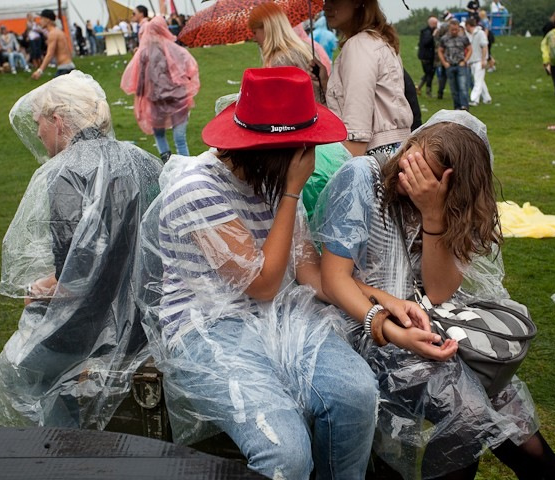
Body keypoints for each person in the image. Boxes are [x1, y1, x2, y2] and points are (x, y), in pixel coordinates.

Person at [138, 66, 378, 480]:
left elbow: (308, 274)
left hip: (276, 316)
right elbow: (264, 283)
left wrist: (382, 307)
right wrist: (290, 191)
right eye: (304, 147)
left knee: (356, 395)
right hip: (206, 325)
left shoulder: (270, 180)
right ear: (273, 150)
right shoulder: (196, 189)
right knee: (285, 455)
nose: (311, 155)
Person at [314, 109, 555, 480]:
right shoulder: (363, 178)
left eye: (428, 175)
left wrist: (433, 214)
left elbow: (437, 292)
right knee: (469, 417)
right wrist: (389, 324)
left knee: (517, 426)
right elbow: (333, 279)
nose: (411, 175)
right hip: (359, 327)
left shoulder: (446, 205)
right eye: (412, 160)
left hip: (428, 321)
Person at [0, 71, 163, 429]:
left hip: (93, 327)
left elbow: (77, 273)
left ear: (57, 120)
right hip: (148, 321)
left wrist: (40, 290)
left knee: (19, 368)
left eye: (39, 121)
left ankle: (64, 448)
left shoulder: (66, 173)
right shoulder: (144, 160)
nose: (37, 132)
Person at [317, 0, 413, 158]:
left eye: (334, 0)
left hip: (372, 158)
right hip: (394, 154)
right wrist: (325, 84)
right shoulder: (377, 40)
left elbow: (357, 137)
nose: (326, 6)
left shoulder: (359, 46)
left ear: (357, 2)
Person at [120, 16, 199, 160]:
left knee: (159, 133)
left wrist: (139, 96)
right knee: (180, 138)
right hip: (177, 98)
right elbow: (189, 67)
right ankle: (187, 167)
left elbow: (141, 77)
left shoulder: (144, 52)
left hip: (156, 99)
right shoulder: (174, 49)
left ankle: (167, 161)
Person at [438, 19, 472, 110]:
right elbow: (440, 51)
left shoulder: (463, 38)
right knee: (454, 89)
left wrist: (465, 61)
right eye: (452, 30)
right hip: (450, 65)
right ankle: (457, 107)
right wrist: (444, 63)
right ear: (449, 28)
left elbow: (469, 49)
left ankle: (464, 106)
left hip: (460, 64)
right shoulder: (444, 39)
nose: (454, 32)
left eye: (456, 30)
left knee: (463, 87)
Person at [31, 9, 75, 79]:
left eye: (41, 19)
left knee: (53, 89)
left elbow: (49, 54)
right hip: (68, 66)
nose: (40, 21)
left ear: (48, 20)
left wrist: (39, 71)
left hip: (64, 69)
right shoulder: (58, 31)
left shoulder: (52, 33)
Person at [466, 18, 492, 106]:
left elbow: (484, 47)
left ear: (468, 26)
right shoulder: (470, 35)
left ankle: (474, 99)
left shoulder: (480, 33)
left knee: (477, 81)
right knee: (480, 80)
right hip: (473, 61)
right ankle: (487, 98)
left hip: (479, 60)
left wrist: (484, 59)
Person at [417, 16, 438, 97]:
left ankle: (419, 87)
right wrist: (433, 35)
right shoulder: (427, 32)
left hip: (429, 56)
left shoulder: (428, 31)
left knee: (428, 74)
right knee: (429, 74)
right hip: (426, 57)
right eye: (435, 23)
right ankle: (428, 92)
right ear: (432, 23)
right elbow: (426, 42)